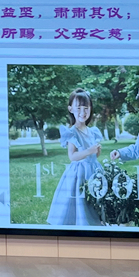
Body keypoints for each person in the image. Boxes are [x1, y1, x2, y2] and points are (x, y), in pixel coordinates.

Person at [47, 88, 103, 225]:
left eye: (86, 108)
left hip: (94, 170)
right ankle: (81, 223)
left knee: (95, 197)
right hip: (80, 173)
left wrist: (96, 151)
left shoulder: (92, 131)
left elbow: (94, 155)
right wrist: (89, 151)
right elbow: (72, 156)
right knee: (80, 199)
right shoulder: (72, 132)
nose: (83, 112)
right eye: (78, 108)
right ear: (71, 109)